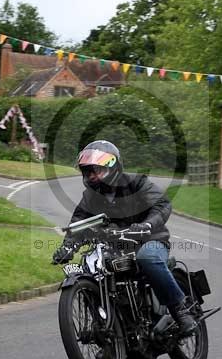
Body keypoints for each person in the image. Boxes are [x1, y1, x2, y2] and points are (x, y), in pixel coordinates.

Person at [52, 140, 196, 335]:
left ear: (114, 167)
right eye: (88, 172)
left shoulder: (136, 183)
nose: (93, 176)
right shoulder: (90, 197)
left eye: (97, 170)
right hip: (115, 247)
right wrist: (68, 246)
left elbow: (162, 204)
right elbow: (78, 224)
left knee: (148, 258)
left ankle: (180, 310)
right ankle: (110, 332)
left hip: (149, 240)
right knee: (92, 269)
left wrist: (146, 225)